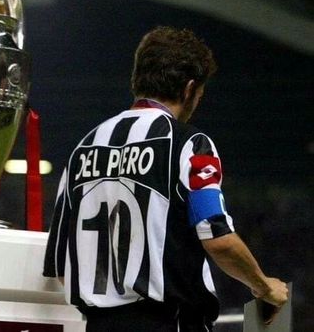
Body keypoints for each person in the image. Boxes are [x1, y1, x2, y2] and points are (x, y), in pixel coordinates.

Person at [43, 26, 288, 331]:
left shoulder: (82, 149)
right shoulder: (191, 144)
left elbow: (62, 266)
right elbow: (218, 237)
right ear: (189, 89)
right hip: (169, 322)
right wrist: (265, 287)